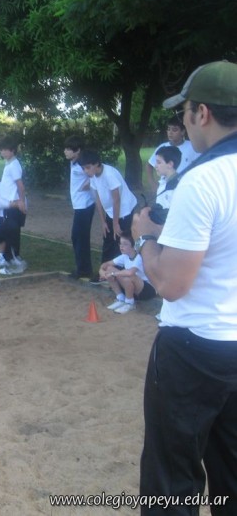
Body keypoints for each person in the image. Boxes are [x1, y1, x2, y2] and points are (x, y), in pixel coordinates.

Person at [132, 60, 237, 515]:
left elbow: (171, 283)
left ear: (203, 113)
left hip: (194, 347)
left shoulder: (203, 179)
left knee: (172, 481)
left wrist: (145, 238)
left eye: (185, 111)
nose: (184, 122)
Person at [79, 149, 137, 264]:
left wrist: (115, 224)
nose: (86, 171)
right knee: (107, 239)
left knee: (120, 241)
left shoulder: (109, 175)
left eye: (88, 167)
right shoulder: (93, 176)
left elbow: (117, 200)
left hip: (124, 211)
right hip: (111, 212)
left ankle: (120, 269)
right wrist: (103, 222)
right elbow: (98, 199)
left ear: (96, 164)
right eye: (83, 168)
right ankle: (104, 269)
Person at [98, 231, 156, 314]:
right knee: (109, 268)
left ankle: (130, 303)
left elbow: (130, 272)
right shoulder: (124, 256)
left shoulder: (139, 257)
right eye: (120, 243)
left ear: (133, 246)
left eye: (125, 244)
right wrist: (102, 271)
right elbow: (105, 265)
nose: (121, 246)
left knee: (129, 276)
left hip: (147, 290)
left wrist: (113, 274)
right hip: (133, 288)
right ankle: (120, 298)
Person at [64, 135, 96, 279]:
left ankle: (84, 270)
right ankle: (83, 268)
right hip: (79, 205)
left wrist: (86, 186)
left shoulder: (81, 164)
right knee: (78, 236)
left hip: (85, 205)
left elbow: (94, 175)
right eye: (66, 148)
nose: (65, 151)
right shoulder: (74, 162)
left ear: (78, 151)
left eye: (69, 149)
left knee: (79, 237)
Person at [0, 137, 27, 273]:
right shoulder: (9, 164)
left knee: (11, 234)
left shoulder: (14, 165)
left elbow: (20, 185)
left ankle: (12, 262)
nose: (2, 152)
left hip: (14, 205)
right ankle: (10, 260)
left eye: (5, 150)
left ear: (12, 151)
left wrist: (21, 201)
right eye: (1, 150)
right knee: (9, 232)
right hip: (9, 204)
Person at [144, 115, 200, 193]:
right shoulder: (163, 147)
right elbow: (149, 165)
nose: (170, 133)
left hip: (185, 188)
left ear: (183, 132)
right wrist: (152, 184)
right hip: (165, 189)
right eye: (168, 129)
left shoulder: (192, 147)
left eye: (174, 130)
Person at [152, 145, 181, 210]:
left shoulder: (178, 187)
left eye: (159, 162)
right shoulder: (163, 181)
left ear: (170, 164)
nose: (155, 166)